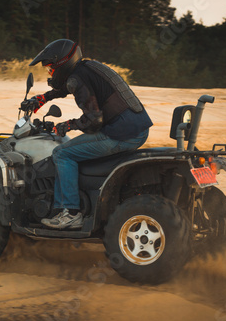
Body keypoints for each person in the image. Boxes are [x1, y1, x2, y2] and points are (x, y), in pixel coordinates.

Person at [28, 39, 153, 229]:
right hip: (136, 128)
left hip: (121, 133)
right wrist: (45, 97)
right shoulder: (88, 67)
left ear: (62, 64)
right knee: (74, 150)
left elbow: (94, 120)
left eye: (51, 68)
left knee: (62, 153)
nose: (50, 72)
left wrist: (69, 125)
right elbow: (69, 87)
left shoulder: (77, 78)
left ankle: (70, 213)